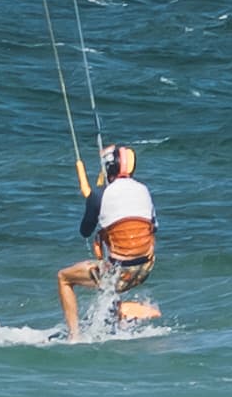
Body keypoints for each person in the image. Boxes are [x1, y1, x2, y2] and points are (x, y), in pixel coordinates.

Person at [61, 143, 160, 335]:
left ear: (108, 169)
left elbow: (85, 231)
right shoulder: (144, 190)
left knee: (64, 278)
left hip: (119, 273)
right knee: (110, 271)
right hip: (145, 268)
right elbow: (153, 227)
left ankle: (74, 336)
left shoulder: (99, 195)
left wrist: (93, 204)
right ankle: (121, 315)